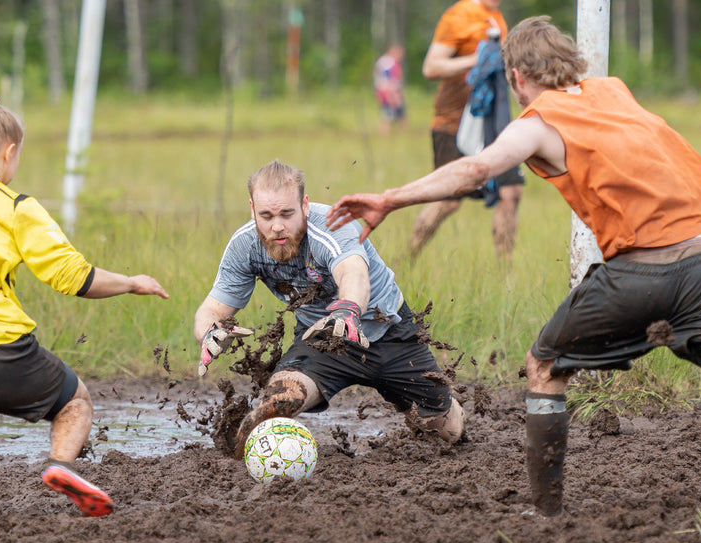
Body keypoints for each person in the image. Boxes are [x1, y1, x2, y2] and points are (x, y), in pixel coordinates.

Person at [327, 16, 701, 517]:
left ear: (516, 77)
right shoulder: (613, 90)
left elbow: (478, 168)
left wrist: (390, 199)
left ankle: (546, 509)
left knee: (545, 366)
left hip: (641, 268)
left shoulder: (539, 121)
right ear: (572, 63)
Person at [0, 90, 169, 522]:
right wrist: (131, 283)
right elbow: (73, 277)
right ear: (9, 153)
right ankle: (60, 468)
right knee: (74, 402)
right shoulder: (14, 205)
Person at [193, 160, 464, 458]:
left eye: (287, 213)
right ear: (252, 209)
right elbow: (212, 309)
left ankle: (441, 403)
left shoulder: (334, 225)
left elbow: (354, 274)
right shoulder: (244, 246)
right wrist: (209, 331)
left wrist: (348, 310)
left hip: (388, 333)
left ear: (305, 205)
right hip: (320, 339)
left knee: (446, 433)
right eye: (266, 215)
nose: (278, 226)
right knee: (276, 404)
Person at [412, 0, 525, 260]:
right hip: (454, 123)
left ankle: (504, 277)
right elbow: (431, 67)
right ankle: (406, 259)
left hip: (492, 124)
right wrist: (478, 59)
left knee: (510, 193)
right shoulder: (458, 15)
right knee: (448, 199)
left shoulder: (495, 14)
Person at [374, 44, 407, 134]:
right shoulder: (388, 62)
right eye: (400, 53)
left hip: (387, 91)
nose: (401, 56)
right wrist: (393, 94)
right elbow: (388, 80)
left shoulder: (385, 61)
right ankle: (386, 133)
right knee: (389, 113)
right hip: (388, 92)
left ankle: (400, 134)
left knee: (396, 113)